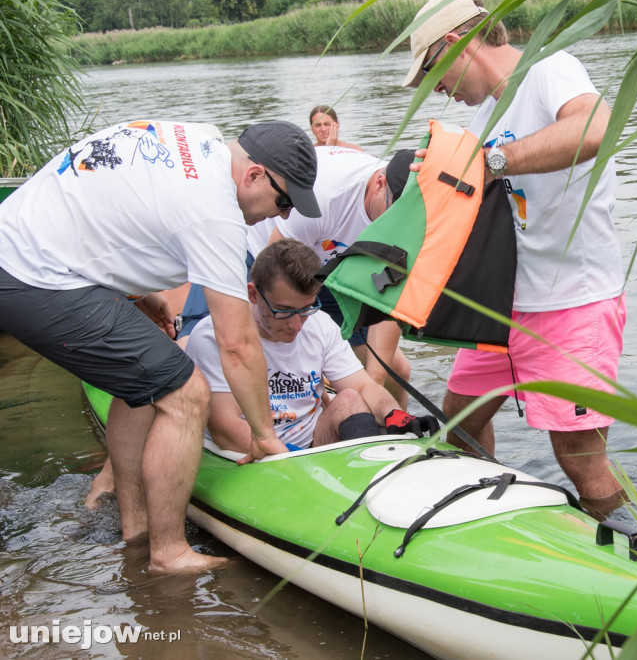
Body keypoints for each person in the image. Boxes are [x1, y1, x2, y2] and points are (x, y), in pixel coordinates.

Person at [0, 119, 320, 572]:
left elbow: (114, 211)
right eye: (283, 201)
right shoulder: (214, 211)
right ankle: (169, 552)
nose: (283, 216)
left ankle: (135, 526)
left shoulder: (201, 140)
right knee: (186, 389)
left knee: (150, 373)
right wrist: (265, 436)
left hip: (23, 245)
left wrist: (143, 296)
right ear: (253, 175)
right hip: (31, 274)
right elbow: (238, 345)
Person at [402, 0, 628, 520]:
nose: (433, 88)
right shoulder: (484, 116)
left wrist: (490, 161)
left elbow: (596, 129)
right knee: (459, 421)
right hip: (503, 308)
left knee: (579, 460)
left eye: (432, 71)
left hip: (572, 304)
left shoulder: (549, 69)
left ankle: (620, 559)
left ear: (456, 43)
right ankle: (490, 515)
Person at [186, 238, 410, 452]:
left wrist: (395, 414)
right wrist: (290, 456)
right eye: (283, 310)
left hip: (309, 442)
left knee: (350, 399)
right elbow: (225, 429)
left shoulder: (320, 323)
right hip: (247, 449)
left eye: (305, 309)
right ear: (253, 294)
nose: (296, 325)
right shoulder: (213, 337)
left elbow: (363, 387)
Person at [258, 145, 416, 409]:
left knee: (396, 371)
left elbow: (386, 303)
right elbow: (276, 273)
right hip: (270, 256)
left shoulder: (410, 218)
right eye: (394, 214)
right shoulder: (326, 197)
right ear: (379, 184)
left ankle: (397, 435)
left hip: (335, 267)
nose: (396, 229)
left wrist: (371, 384)